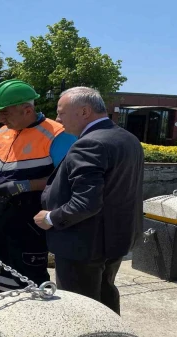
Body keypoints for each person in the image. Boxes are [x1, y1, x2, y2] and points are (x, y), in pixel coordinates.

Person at [34, 86, 144, 315]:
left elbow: (86, 202)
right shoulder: (128, 138)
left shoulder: (88, 144)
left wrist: (51, 218)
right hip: (116, 238)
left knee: (78, 308)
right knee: (105, 295)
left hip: (83, 243)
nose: (58, 118)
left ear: (84, 111)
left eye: (61, 112)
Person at [0, 79, 76, 292]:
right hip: (0, 220)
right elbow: (3, 165)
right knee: (2, 269)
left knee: (30, 275)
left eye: (4, 112)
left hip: (30, 225)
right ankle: (9, 312)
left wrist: (24, 186)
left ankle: (33, 319)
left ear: (27, 110)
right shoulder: (4, 132)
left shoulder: (58, 135)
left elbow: (66, 180)